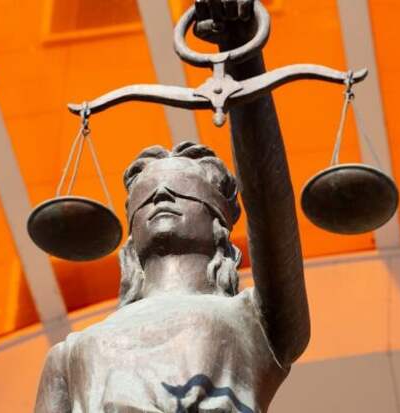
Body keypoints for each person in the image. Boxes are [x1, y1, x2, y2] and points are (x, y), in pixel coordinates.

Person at [35, 1, 310, 411]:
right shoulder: (71, 354)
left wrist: (241, 54)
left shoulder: (255, 320)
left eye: (181, 193)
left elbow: (271, 216)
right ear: (131, 234)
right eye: (149, 198)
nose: (162, 198)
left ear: (219, 223)